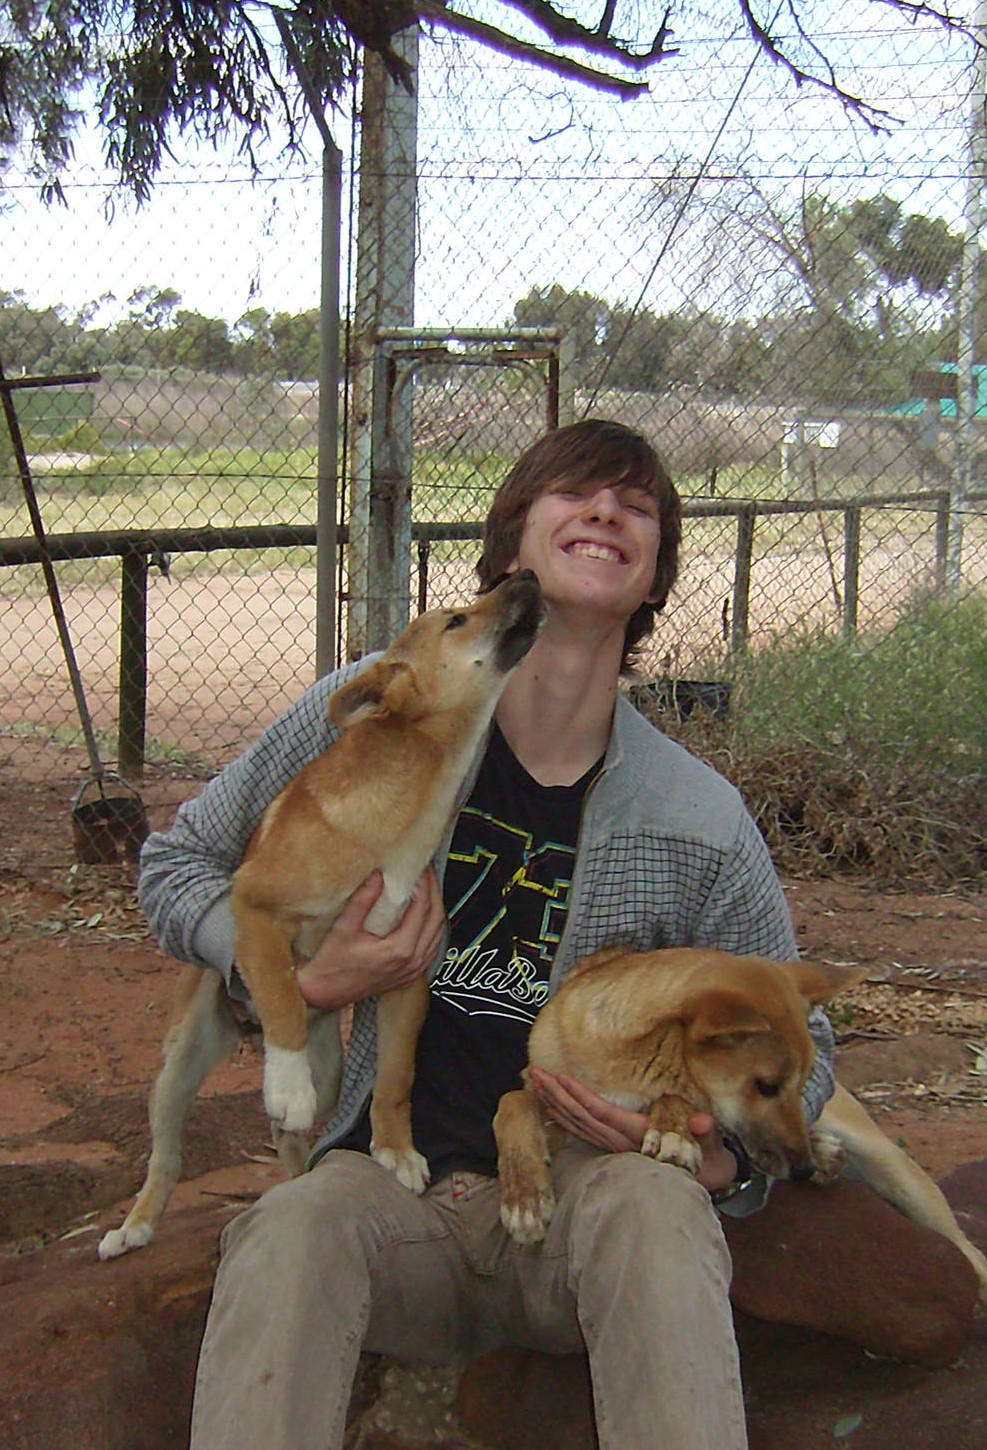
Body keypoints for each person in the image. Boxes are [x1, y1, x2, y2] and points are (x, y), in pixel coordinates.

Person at [138, 419, 835, 1450]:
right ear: (510, 545)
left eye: (635, 507)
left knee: (660, 1213)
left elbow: (806, 1056)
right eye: (573, 494)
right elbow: (174, 864)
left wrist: (727, 1163)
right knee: (286, 1232)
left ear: (650, 580)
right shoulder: (395, 698)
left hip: (586, 1202)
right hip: (386, 1189)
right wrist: (304, 979)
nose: (604, 513)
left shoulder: (697, 818)